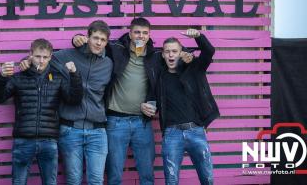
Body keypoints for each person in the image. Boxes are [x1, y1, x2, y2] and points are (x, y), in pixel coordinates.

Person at [72, 18, 194, 185]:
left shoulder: (155, 56)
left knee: (147, 175)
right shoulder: (115, 49)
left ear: (149, 35)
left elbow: (178, 53)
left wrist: (188, 54)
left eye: (145, 33)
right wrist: (77, 38)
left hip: (142, 123)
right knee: (114, 175)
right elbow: (93, 43)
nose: (140, 36)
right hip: (115, 122)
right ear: (129, 33)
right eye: (137, 32)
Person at [21, 20, 113, 185]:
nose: (99, 42)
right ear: (87, 37)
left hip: (98, 132)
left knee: (97, 180)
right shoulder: (67, 55)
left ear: (107, 42)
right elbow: (42, 59)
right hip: (70, 131)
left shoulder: (108, 63)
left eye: (103, 40)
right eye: (95, 38)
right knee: (73, 180)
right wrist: (25, 62)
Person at [0, 38, 83, 185]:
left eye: (45, 57)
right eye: (38, 56)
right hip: (23, 140)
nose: (41, 60)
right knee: (19, 182)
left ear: (50, 57)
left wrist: (74, 75)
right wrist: (2, 76)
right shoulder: (18, 77)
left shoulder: (57, 78)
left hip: (49, 140)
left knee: (49, 182)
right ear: (30, 55)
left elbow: (74, 99)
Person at [154, 28, 220, 185]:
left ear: (180, 53)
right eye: (167, 51)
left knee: (207, 178)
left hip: (196, 131)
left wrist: (198, 36)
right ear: (162, 55)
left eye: (174, 51)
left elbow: (209, 52)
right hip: (171, 134)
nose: (171, 55)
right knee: (171, 180)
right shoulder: (159, 77)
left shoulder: (194, 68)